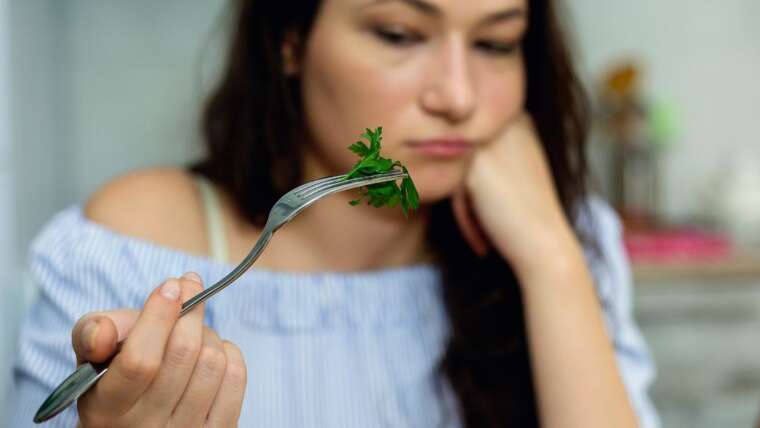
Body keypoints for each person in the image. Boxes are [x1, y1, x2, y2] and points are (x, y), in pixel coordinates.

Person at [8, 0, 660, 427]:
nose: (459, 97)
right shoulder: (130, 248)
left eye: (496, 44)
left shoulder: (564, 239)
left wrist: (550, 259)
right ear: (289, 41)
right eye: (400, 34)